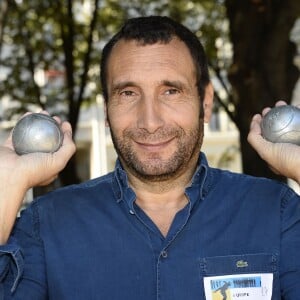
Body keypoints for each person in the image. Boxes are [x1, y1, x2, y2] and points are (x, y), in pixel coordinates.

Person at [0, 15, 299, 300]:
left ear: (205, 103)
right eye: (128, 93)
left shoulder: (277, 213)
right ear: (106, 110)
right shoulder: (45, 225)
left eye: (170, 91)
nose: (150, 121)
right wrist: (7, 183)